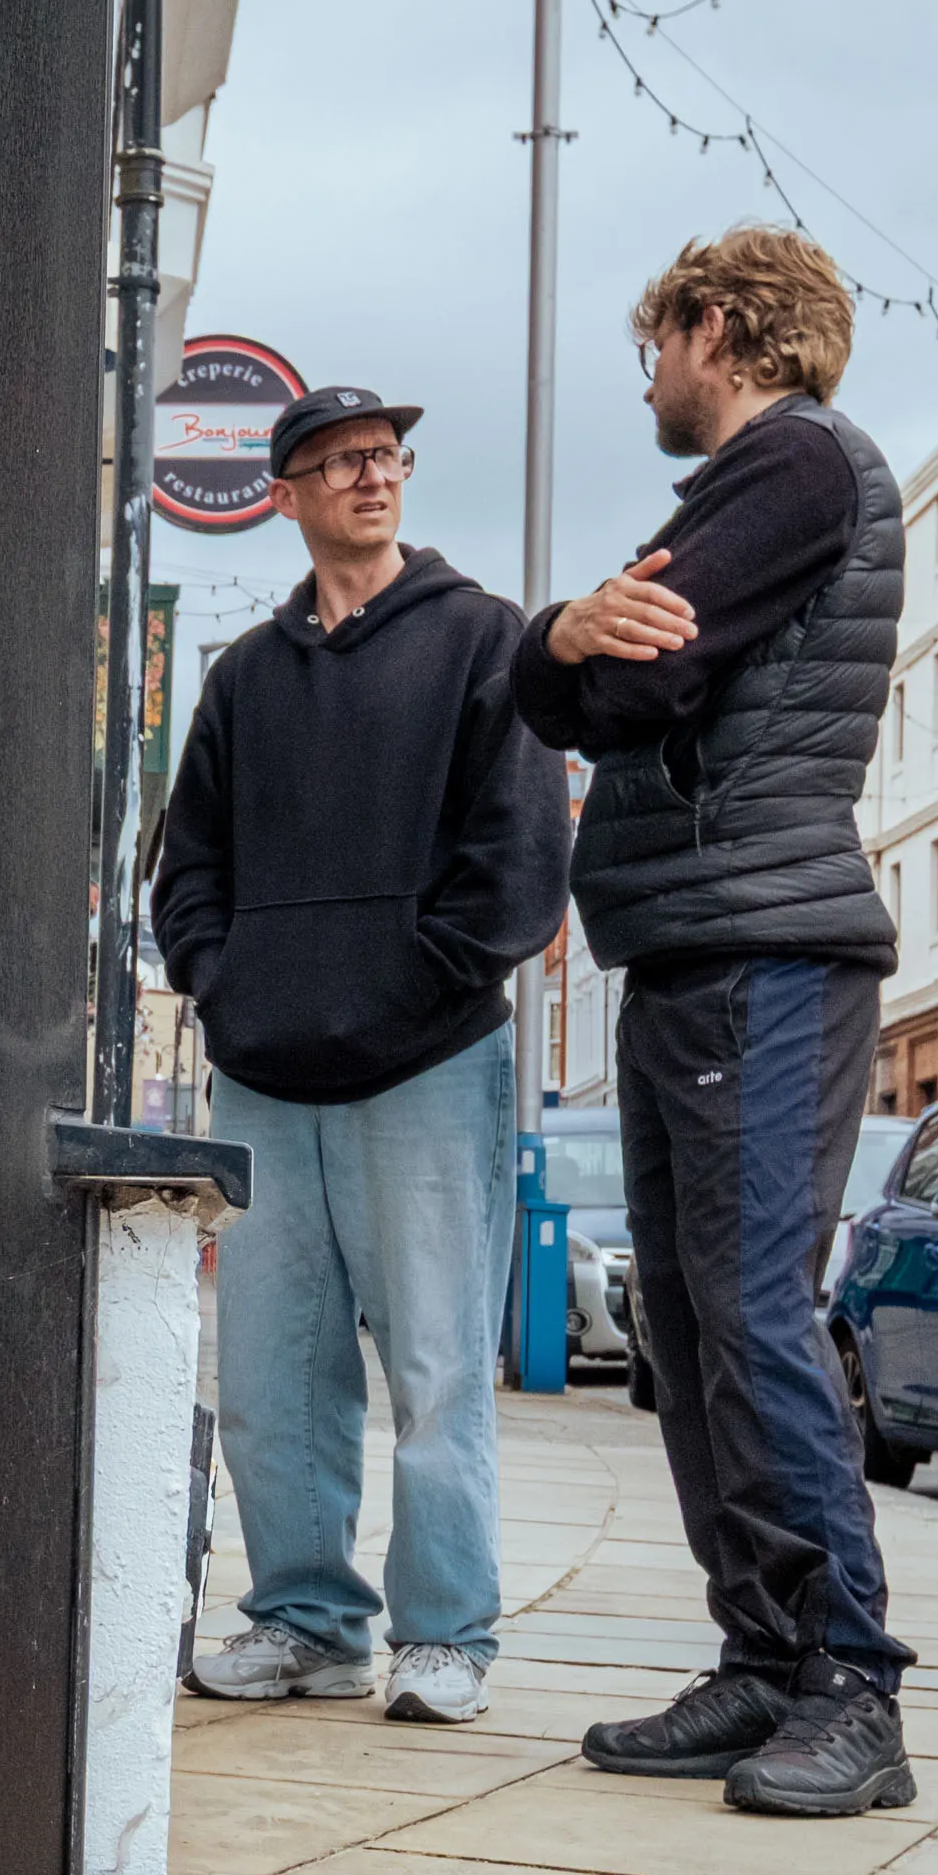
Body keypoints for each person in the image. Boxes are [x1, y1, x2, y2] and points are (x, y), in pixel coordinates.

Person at [507, 226, 916, 1816]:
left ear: (719, 325)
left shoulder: (797, 465)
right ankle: (761, 1659)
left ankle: (850, 1684)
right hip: (690, 945)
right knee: (684, 1332)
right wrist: (561, 637)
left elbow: (640, 691)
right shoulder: (759, 492)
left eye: (656, 347)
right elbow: (570, 685)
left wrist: (577, 652)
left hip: (763, 946)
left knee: (750, 1314)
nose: (654, 381)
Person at [156, 386, 570, 1723]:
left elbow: (517, 862)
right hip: (267, 1074)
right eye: (338, 463)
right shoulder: (244, 677)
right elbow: (187, 869)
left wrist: (407, 990)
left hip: (428, 1069)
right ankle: (307, 1622)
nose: (371, 478)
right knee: (275, 1374)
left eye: (386, 458)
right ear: (285, 494)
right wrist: (229, 990)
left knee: (440, 1367)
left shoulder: (479, 642)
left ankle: (445, 1637)